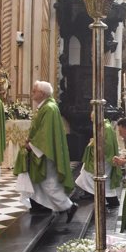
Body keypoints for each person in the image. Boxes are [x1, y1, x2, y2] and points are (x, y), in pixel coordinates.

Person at [14, 81, 77, 222]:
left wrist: (32, 145)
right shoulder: (46, 107)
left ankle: (69, 206)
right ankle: (44, 206)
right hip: (43, 150)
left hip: (46, 152)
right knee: (40, 181)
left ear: (42, 93)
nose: (32, 93)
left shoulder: (49, 108)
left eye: (34, 91)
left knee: (49, 182)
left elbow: (45, 133)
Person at [74, 117, 122, 208]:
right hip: (102, 158)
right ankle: (91, 194)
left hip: (104, 159)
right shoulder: (103, 126)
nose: (92, 121)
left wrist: (94, 144)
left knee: (96, 177)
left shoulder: (106, 128)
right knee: (86, 173)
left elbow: (107, 145)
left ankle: (113, 201)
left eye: (93, 119)